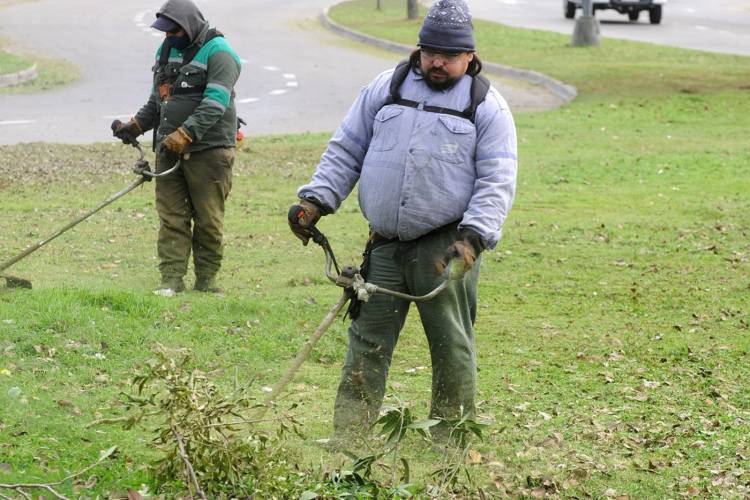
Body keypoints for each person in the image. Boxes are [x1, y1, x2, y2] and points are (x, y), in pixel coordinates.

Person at [288, 0, 518, 439]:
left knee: (451, 345)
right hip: (386, 244)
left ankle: (450, 441)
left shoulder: (486, 106)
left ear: (469, 56)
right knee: (367, 341)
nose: (437, 62)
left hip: (445, 246)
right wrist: (316, 200)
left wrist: (472, 240)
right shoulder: (386, 87)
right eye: (430, 51)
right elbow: (348, 147)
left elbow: (498, 179)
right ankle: (349, 437)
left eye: (449, 56)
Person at [113, 0, 241, 295]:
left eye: (174, 32)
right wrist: (134, 127)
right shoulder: (166, 50)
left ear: (189, 26)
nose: (169, 37)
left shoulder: (220, 53)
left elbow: (215, 103)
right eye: (166, 32)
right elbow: (157, 101)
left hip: (209, 151)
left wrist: (187, 132)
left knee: (208, 219)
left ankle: (207, 281)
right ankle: (171, 279)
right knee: (171, 217)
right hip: (168, 151)